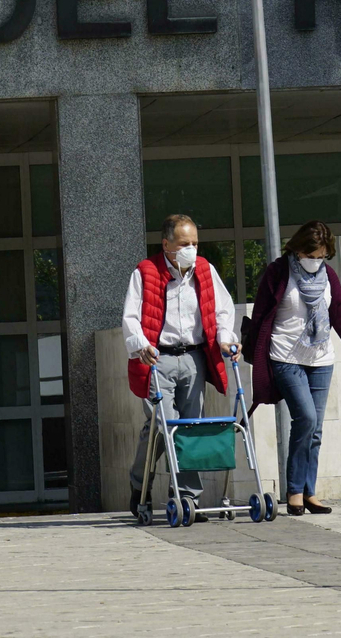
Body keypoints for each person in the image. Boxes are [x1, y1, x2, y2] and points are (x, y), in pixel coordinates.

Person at [248, 220, 341, 516]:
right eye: (310, 255)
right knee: (305, 418)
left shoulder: (328, 276)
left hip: (320, 358)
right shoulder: (278, 272)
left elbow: (339, 315)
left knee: (315, 429)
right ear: (298, 249)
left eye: (321, 256)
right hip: (285, 356)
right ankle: (294, 491)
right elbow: (261, 313)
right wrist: (251, 351)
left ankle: (309, 492)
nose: (315, 261)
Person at [123, 214, 241, 515]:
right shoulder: (146, 272)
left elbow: (222, 311)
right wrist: (141, 345)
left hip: (193, 357)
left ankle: (187, 497)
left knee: (190, 427)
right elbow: (131, 317)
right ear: (166, 244)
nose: (192, 249)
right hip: (157, 358)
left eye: (195, 243)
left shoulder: (205, 270)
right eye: (185, 243)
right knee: (163, 426)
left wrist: (226, 340)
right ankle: (140, 484)